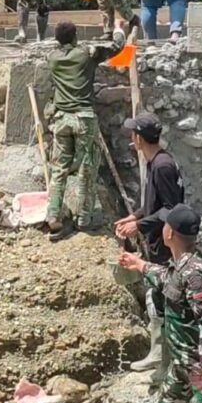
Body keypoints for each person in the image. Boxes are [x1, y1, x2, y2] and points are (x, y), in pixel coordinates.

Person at [118, 204, 202, 403]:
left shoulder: (197, 274)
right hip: (181, 365)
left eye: (164, 224)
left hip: (198, 367)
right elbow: (168, 279)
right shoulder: (181, 266)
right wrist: (139, 264)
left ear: (169, 233)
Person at [114, 112, 185, 374]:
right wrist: (134, 216)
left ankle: (163, 356)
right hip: (159, 240)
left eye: (133, 134)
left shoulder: (162, 166)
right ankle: (160, 353)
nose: (132, 139)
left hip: (166, 244)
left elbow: (171, 208)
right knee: (156, 295)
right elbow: (152, 204)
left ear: (139, 138)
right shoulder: (156, 162)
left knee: (162, 294)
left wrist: (140, 226)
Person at [45, 19, 127, 241]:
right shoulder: (86, 54)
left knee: (59, 169)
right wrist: (118, 28)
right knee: (87, 167)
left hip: (61, 119)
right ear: (75, 37)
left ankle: (53, 215)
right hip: (84, 118)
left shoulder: (52, 58)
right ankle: (84, 218)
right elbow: (117, 47)